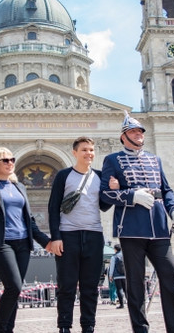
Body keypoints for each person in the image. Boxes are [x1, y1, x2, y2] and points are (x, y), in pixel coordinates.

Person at [101, 112, 174, 333]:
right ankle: (141, 329)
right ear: (123, 136)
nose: (138, 134)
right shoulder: (112, 160)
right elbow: (105, 195)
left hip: (158, 228)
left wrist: (173, 209)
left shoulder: (154, 159)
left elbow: (166, 190)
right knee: (136, 284)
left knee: (170, 277)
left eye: (140, 131)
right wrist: (131, 195)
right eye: (133, 131)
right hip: (131, 228)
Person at [48, 136, 112, 333]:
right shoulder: (63, 175)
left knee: (90, 286)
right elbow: (53, 208)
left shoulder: (100, 176)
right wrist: (56, 237)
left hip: (93, 236)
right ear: (74, 153)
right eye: (84, 150)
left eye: (91, 150)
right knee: (66, 285)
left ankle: (88, 326)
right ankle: (65, 326)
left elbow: (103, 206)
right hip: (68, 236)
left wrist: (111, 191)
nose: (89, 153)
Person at [0, 147, 51, 333]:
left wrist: (46, 241)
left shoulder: (19, 187)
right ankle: (1, 330)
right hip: (2, 242)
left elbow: (29, 220)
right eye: (4, 160)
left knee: (15, 289)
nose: (10, 163)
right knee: (13, 286)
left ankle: (9, 329)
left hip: (23, 243)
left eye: (12, 159)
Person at [110, 244, 127, 308]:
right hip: (125, 275)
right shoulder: (125, 255)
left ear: (115, 249)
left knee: (119, 289)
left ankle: (122, 304)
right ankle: (130, 304)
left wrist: (110, 276)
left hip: (117, 276)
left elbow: (112, 267)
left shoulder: (114, 257)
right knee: (126, 290)